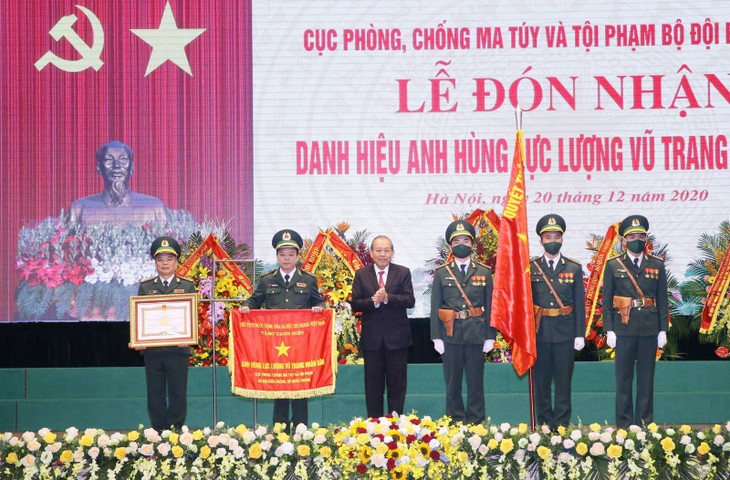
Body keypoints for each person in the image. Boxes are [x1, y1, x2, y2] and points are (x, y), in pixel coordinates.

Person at [240, 229, 325, 430]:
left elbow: (319, 302)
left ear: (297, 256)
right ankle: (280, 430)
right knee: (278, 384)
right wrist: (246, 306)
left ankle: (301, 429)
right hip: (275, 343)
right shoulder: (267, 280)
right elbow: (254, 300)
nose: (286, 259)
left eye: (290, 255)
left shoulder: (309, 280)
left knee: (299, 385)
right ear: (277, 256)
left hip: (300, 343)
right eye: (282, 254)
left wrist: (318, 309)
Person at [603, 214, 668, 428]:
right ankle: (623, 426)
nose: (636, 240)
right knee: (623, 381)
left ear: (646, 238)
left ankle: (645, 425)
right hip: (623, 327)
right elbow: (606, 301)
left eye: (641, 235)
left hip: (649, 329)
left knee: (646, 380)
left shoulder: (657, 265)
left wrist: (662, 330)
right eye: (632, 236)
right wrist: (609, 330)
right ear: (624, 240)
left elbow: (662, 300)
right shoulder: (613, 265)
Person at [430, 220, 496, 424]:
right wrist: (436, 337)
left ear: (472, 244)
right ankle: (455, 420)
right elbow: (435, 307)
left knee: (476, 383)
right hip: (450, 335)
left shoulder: (484, 272)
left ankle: (476, 421)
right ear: (450, 246)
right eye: (456, 241)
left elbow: (491, 305)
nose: (461, 244)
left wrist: (490, 336)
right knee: (452, 383)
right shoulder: (442, 273)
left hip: (476, 334)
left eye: (465, 240)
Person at [134, 236, 197, 431]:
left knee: (178, 392)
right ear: (155, 262)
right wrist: (139, 339)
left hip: (178, 350)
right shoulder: (146, 286)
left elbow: (192, 317)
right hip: (153, 351)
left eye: (169, 259)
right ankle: (158, 429)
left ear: (176, 262)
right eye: (160, 259)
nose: (165, 263)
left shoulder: (187, 286)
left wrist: (189, 337)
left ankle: (176, 428)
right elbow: (140, 317)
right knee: (155, 393)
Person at [530, 214, 585, 429]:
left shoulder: (573, 268)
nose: (552, 240)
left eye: (556, 236)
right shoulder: (531, 268)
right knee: (541, 382)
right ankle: (544, 424)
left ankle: (561, 425)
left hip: (565, 331)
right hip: (539, 332)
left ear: (562, 239)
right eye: (547, 236)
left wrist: (579, 333)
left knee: (563, 382)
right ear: (541, 240)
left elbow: (580, 303)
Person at [351, 235, 415, 418]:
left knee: (397, 385)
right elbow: (355, 304)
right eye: (378, 250)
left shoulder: (403, 272)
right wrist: (374, 302)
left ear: (392, 253)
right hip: (372, 340)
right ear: (371, 253)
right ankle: (374, 426)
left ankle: (395, 425)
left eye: (386, 250)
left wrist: (388, 298)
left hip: (397, 340)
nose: (382, 254)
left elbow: (410, 300)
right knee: (373, 387)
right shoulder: (362, 274)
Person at [67, 141, 170, 225]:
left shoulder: (155, 208)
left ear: (132, 167)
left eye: (123, 159)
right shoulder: (79, 209)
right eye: (109, 160)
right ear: (99, 168)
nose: (117, 165)